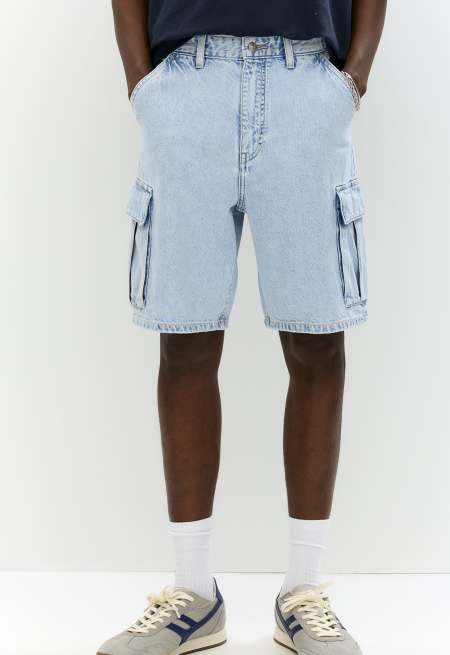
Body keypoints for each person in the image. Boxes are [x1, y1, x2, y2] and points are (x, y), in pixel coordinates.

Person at [98, 1, 386, 654]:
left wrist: (353, 78)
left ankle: (303, 592)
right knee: (185, 339)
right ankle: (193, 593)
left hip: (306, 85)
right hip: (186, 87)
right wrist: (143, 86)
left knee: (317, 342)